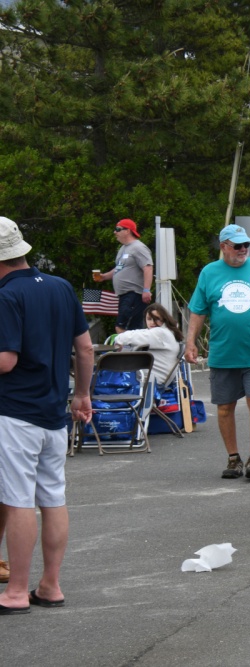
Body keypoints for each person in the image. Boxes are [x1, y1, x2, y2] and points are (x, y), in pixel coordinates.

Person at [0, 217, 93, 614]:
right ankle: (50, 585)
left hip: (14, 411)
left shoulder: (6, 296)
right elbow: (85, 348)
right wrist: (82, 394)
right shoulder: (60, 287)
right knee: (53, 497)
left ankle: (16, 592)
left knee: (18, 499)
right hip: (54, 411)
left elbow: (5, 360)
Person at [185, 224, 250, 482]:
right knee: (224, 407)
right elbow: (198, 311)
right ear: (223, 247)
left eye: (246, 245)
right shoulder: (209, 272)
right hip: (224, 351)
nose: (243, 250)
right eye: (237, 245)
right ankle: (233, 457)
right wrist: (190, 342)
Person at [93, 218, 153, 333]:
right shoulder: (123, 249)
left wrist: (146, 290)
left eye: (118, 229)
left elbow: (148, 268)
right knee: (133, 329)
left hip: (134, 294)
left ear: (127, 231)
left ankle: (124, 345)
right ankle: (132, 345)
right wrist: (104, 276)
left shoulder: (138, 247)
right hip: (124, 295)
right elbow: (119, 268)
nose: (115, 232)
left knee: (121, 327)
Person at [113, 303, 184, 386]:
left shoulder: (160, 333)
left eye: (157, 319)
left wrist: (118, 339)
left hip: (150, 381)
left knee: (108, 372)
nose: (152, 322)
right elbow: (141, 333)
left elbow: (130, 337)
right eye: (149, 319)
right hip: (155, 378)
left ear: (164, 319)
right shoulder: (167, 332)